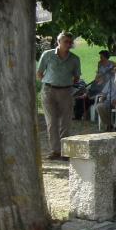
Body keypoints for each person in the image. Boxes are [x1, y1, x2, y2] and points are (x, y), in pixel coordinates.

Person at [37, 31, 81, 160]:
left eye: (70, 42)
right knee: (51, 122)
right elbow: (39, 73)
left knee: (65, 122)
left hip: (66, 91)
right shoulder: (48, 55)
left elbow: (77, 77)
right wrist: (49, 81)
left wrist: (67, 84)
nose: (68, 44)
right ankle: (55, 150)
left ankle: (65, 152)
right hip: (49, 90)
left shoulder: (74, 59)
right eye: (65, 41)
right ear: (58, 42)